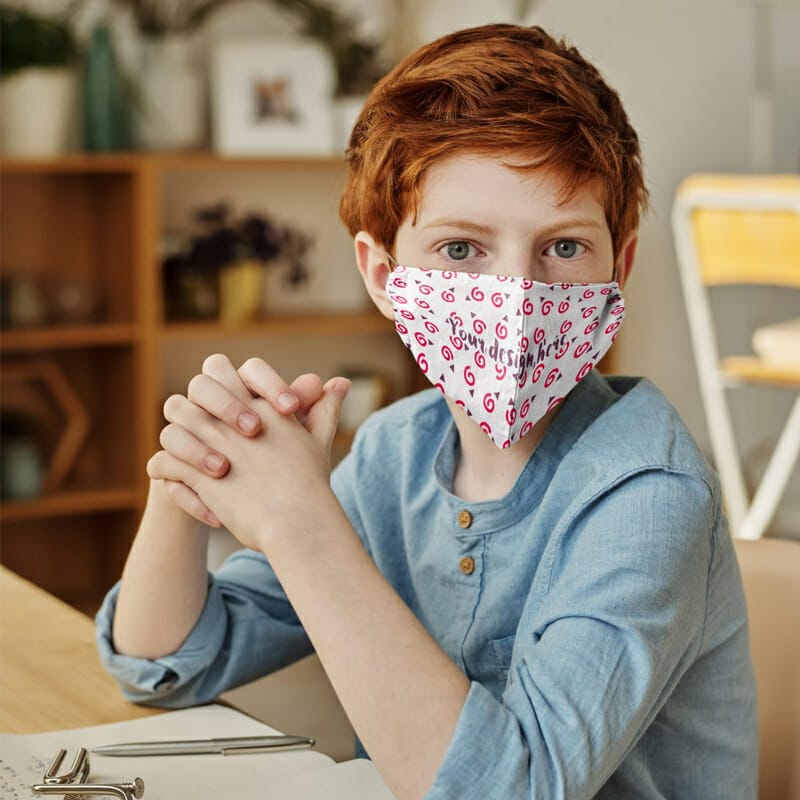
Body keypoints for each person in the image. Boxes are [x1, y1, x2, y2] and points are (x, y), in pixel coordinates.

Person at [96, 23, 758, 800]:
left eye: (564, 247)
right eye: (461, 249)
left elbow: (511, 788)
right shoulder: (392, 453)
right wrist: (191, 472)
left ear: (622, 263)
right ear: (382, 273)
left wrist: (300, 524)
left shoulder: (648, 492)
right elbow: (165, 663)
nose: (518, 294)